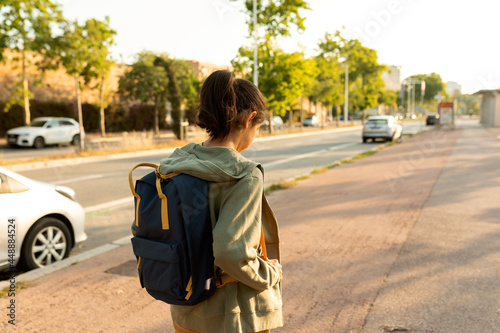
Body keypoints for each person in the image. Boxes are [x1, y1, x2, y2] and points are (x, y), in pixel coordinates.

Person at [159, 70, 283, 333]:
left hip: (185, 308)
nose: (255, 135)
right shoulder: (244, 175)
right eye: (258, 128)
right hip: (232, 315)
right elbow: (231, 253)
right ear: (250, 119)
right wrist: (270, 274)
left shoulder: (177, 163)